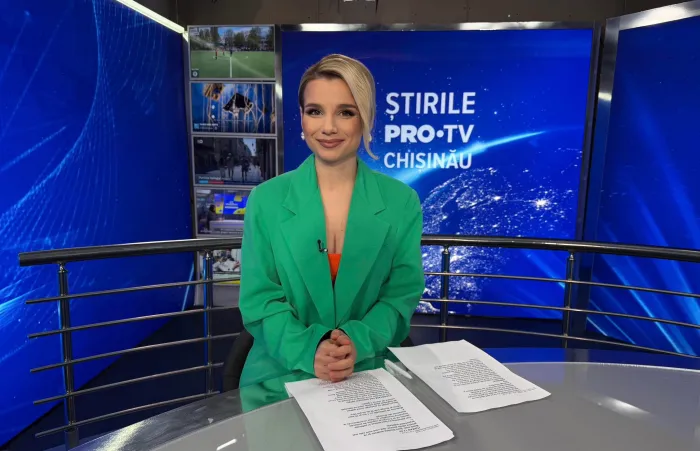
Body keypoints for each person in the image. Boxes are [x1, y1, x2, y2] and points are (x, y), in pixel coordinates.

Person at [238, 54, 424, 388]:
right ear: (301, 117)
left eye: (345, 112)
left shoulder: (402, 202)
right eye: (315, 111)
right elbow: (260, 299)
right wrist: (308, 349)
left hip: (368, 367)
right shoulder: (266, 200)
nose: (328, 127)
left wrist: (358, 341)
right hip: (281, 372)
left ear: (366, 118)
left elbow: (401, 295)